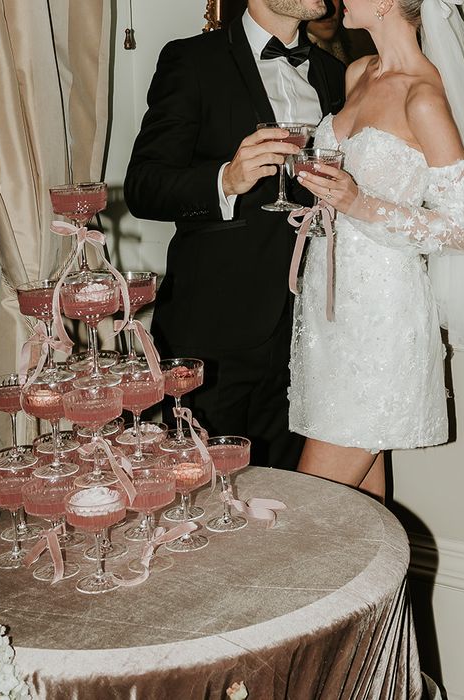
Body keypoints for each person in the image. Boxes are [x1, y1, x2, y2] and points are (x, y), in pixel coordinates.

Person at [290, 0, 464, 500]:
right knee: (360, 517)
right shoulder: (360, 71)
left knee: (310, 505)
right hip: (327, 307)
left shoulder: (424, 96)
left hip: (381, 318)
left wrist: (361, 203)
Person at [124, 0, 346, 469]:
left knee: (290, 497)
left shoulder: (332, 72)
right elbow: (144, 186)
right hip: (214, 329)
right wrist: (225, 179)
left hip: (309, 331)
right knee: (204, 492)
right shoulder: (193, 59)